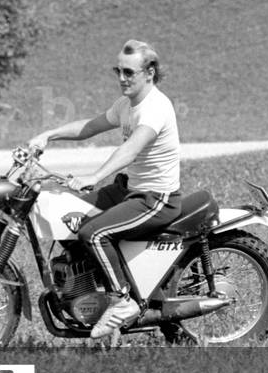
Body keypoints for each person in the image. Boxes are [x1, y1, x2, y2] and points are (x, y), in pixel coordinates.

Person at [28, 39, 182, 338]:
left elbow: (131, 151)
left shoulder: (155, 108)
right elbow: (90, 126)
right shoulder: (126, 104)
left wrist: (95, 176)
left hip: (156, 199)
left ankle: (124, 302)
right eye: (118, 71)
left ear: (149, 72)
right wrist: (50, 135)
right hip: (129, 189)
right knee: (69, 219)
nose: (122, 78)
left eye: (129, 72)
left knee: (93, 233)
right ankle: (92, 296)